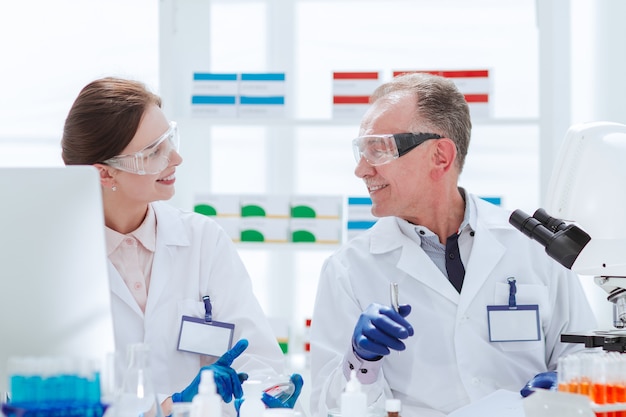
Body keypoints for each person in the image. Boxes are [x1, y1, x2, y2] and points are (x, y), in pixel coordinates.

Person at [309, 72, 598, 417]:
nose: (361, 169)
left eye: (378, 149)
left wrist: (567, 385)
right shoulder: (348, 269)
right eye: (361, 150)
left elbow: (586, 360)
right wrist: (360, 361)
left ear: (440, 156)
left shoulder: (531, 245)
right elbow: (327, 408)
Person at [61, 77, 302, 416]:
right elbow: (54, 393)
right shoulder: (58, 263)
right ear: (105, 173)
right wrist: (168, 407)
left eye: (170, 139)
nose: (176, 158)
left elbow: (259, 357)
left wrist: (264, 393)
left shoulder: (203, 239)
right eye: (153, 152)